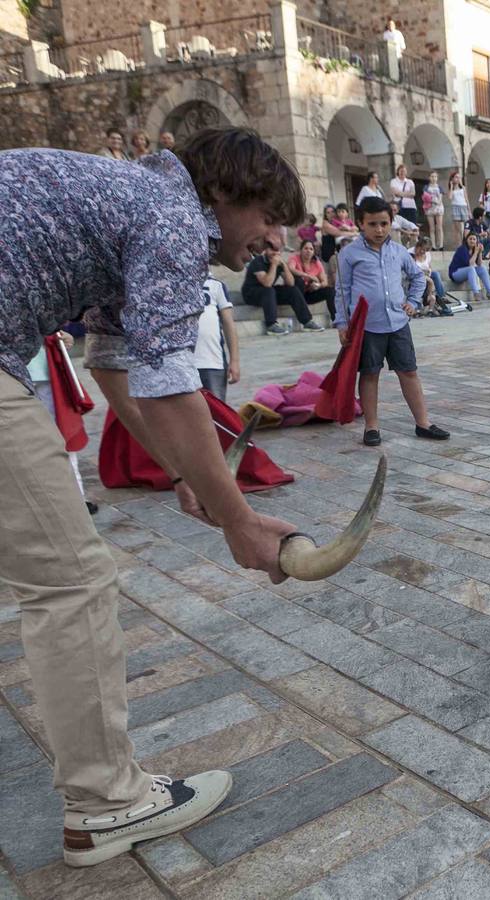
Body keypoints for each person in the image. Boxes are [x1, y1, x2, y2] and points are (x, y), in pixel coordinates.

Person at [1, 126, 309, 868]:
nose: (272, 239)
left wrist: (180, 473)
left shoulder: (126, 200)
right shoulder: (170, 214)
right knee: (71, 581)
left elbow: (112, 363)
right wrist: (239, 521)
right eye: (270, 217)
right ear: (227, 193)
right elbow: (170, 384)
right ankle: (108, 804)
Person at [336, 196, 449, 445]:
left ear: (391, 223)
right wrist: (342, 324)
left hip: (398, 323)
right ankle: (372, 427)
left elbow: (417, 278)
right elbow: (342, 292)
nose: (379, 230)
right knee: (369, 375)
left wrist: (413, 301)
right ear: (360, 224)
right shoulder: (349, 254)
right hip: (367, 327)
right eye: (373, 224)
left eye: (384, 224)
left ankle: (423, 422)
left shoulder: (399, 251)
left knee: (409, 371)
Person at [26, 331, 96, 514]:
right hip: (20, 374)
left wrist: (63, 336)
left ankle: (76, 496)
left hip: (44, 371)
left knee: (62, 436)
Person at [242, 247, 321, 335]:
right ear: (266, 250)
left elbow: (291, 283)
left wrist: (284, 265)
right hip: (251, 293)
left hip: (268, 294)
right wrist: (274, 265)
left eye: (277, 251)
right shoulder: (258, 261)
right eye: (272, 250)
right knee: (269, 290)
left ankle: (307, 322)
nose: (275, 253)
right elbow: (267, 283)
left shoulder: (279, 263)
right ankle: (271, 325)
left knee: (293, 290)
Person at [195, 276, 239, 401]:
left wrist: (234, 360)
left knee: (216, 410)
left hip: (212, 360)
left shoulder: (215, 284)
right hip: (181, 361)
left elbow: (228, 323)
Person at [287, 238, 335, 317]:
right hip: (296, 294)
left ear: (313, 252)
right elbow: (290, 268)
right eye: (305, 248)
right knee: (299, 281)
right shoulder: (294, 258)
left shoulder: (316, 262)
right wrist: (307, 275)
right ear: (301, 250)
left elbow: (324, 282)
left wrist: (318, 285)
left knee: (330, 290)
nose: (308, 251)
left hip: (309, 293)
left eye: (311, 249)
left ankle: (335, 319)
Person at [448, 231, 490, 304]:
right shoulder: (462, 249)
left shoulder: (475, 249)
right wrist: (476, 252)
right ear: (466, 240)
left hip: (467, 272)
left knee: (482, 268)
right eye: (470, 239)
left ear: (477, 241)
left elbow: (479, 264)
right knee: (471, 269)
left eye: (474, 239)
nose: (472, 241)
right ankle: (476, 293)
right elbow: (470, 264)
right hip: (455, 273)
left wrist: (480, 252)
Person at [412, 237, 450, 316]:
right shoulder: (411, 254)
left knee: (435, 274)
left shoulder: (427, 254)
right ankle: (429, 300)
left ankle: (441, 296)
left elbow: (429, 266)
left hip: (426, 273)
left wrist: (429, 272)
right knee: (430, 281)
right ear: (418, 246)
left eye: (426, 250)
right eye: (422, 249)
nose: (423, 252)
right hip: (416, 275)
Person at [390, 163, 419, 228]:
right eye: (401, 171)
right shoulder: (393, 181)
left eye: (404, 171)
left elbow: (413, 194)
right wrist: (407, 193)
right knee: (400, 225)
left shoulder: (410, 182)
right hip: (399, 206)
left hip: (410, 206)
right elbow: (395, 193)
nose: (402, 173)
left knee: (412, 225)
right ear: (398, 172)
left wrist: (401, 193)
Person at [422, 171, 445, 250]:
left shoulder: (439, 187)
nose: (433, 178)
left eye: (435, 176)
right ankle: (433, 245)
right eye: (432, 176)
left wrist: (436, 201)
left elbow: (440, 198)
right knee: (432, 228)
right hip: (429, 207)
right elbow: (425, 197)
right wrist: (432, 200)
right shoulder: (426, 187)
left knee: (439, 227)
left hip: (438, 207)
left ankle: (441, 245)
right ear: (429, 177)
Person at [448, 171, 469, 247]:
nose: (458, 179)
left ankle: (465, 243)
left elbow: (466, 199)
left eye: (459, 177)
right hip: (455, 207)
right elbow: (450, 198)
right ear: (452, 178)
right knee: (457, 229)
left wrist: (469, 211)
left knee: (464, 228)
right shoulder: (452, 189)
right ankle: (459, 245)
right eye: (456, 177)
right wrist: (451, 186)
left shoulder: (463, 188)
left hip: (463, 206)